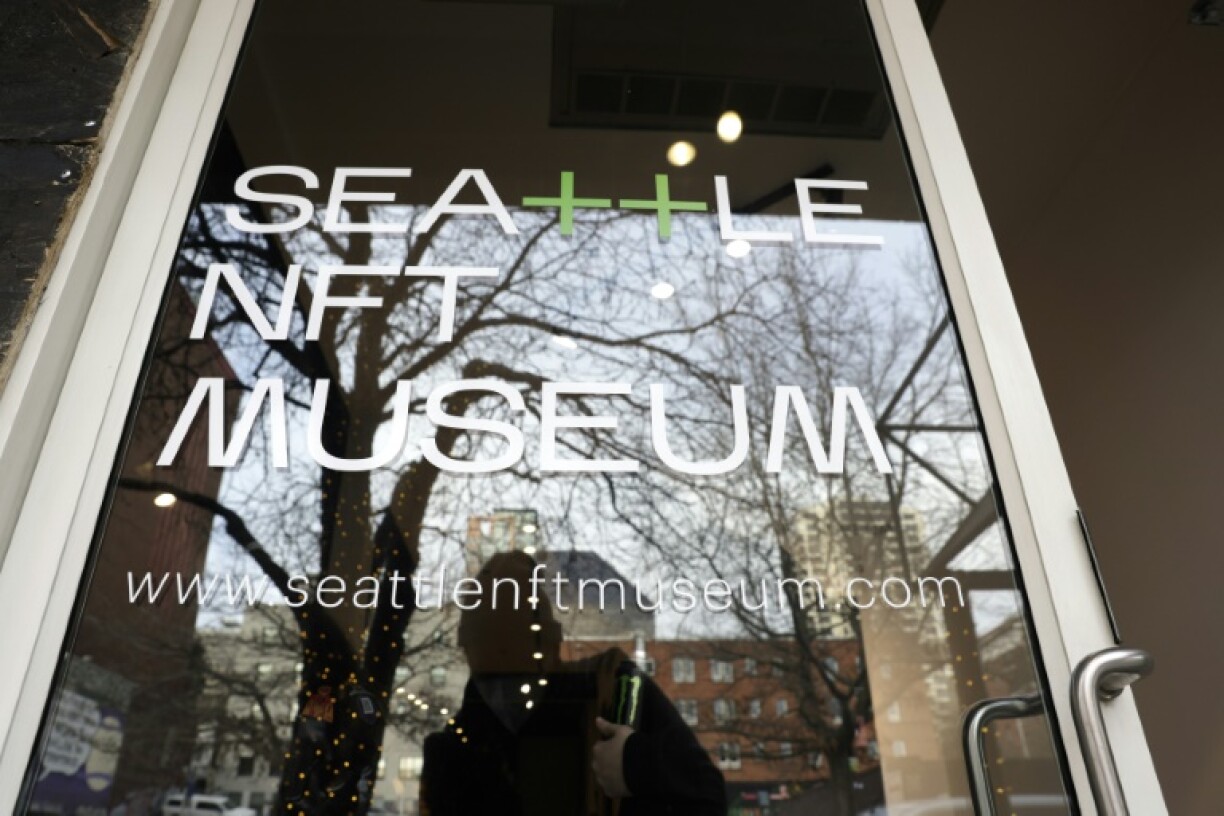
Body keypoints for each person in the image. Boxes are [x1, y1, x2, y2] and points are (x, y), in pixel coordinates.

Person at [421, 552, 726, 815]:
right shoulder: (458, 748)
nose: (506, 662)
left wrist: (637, 765)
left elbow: (707, 795)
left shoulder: (610, 688)